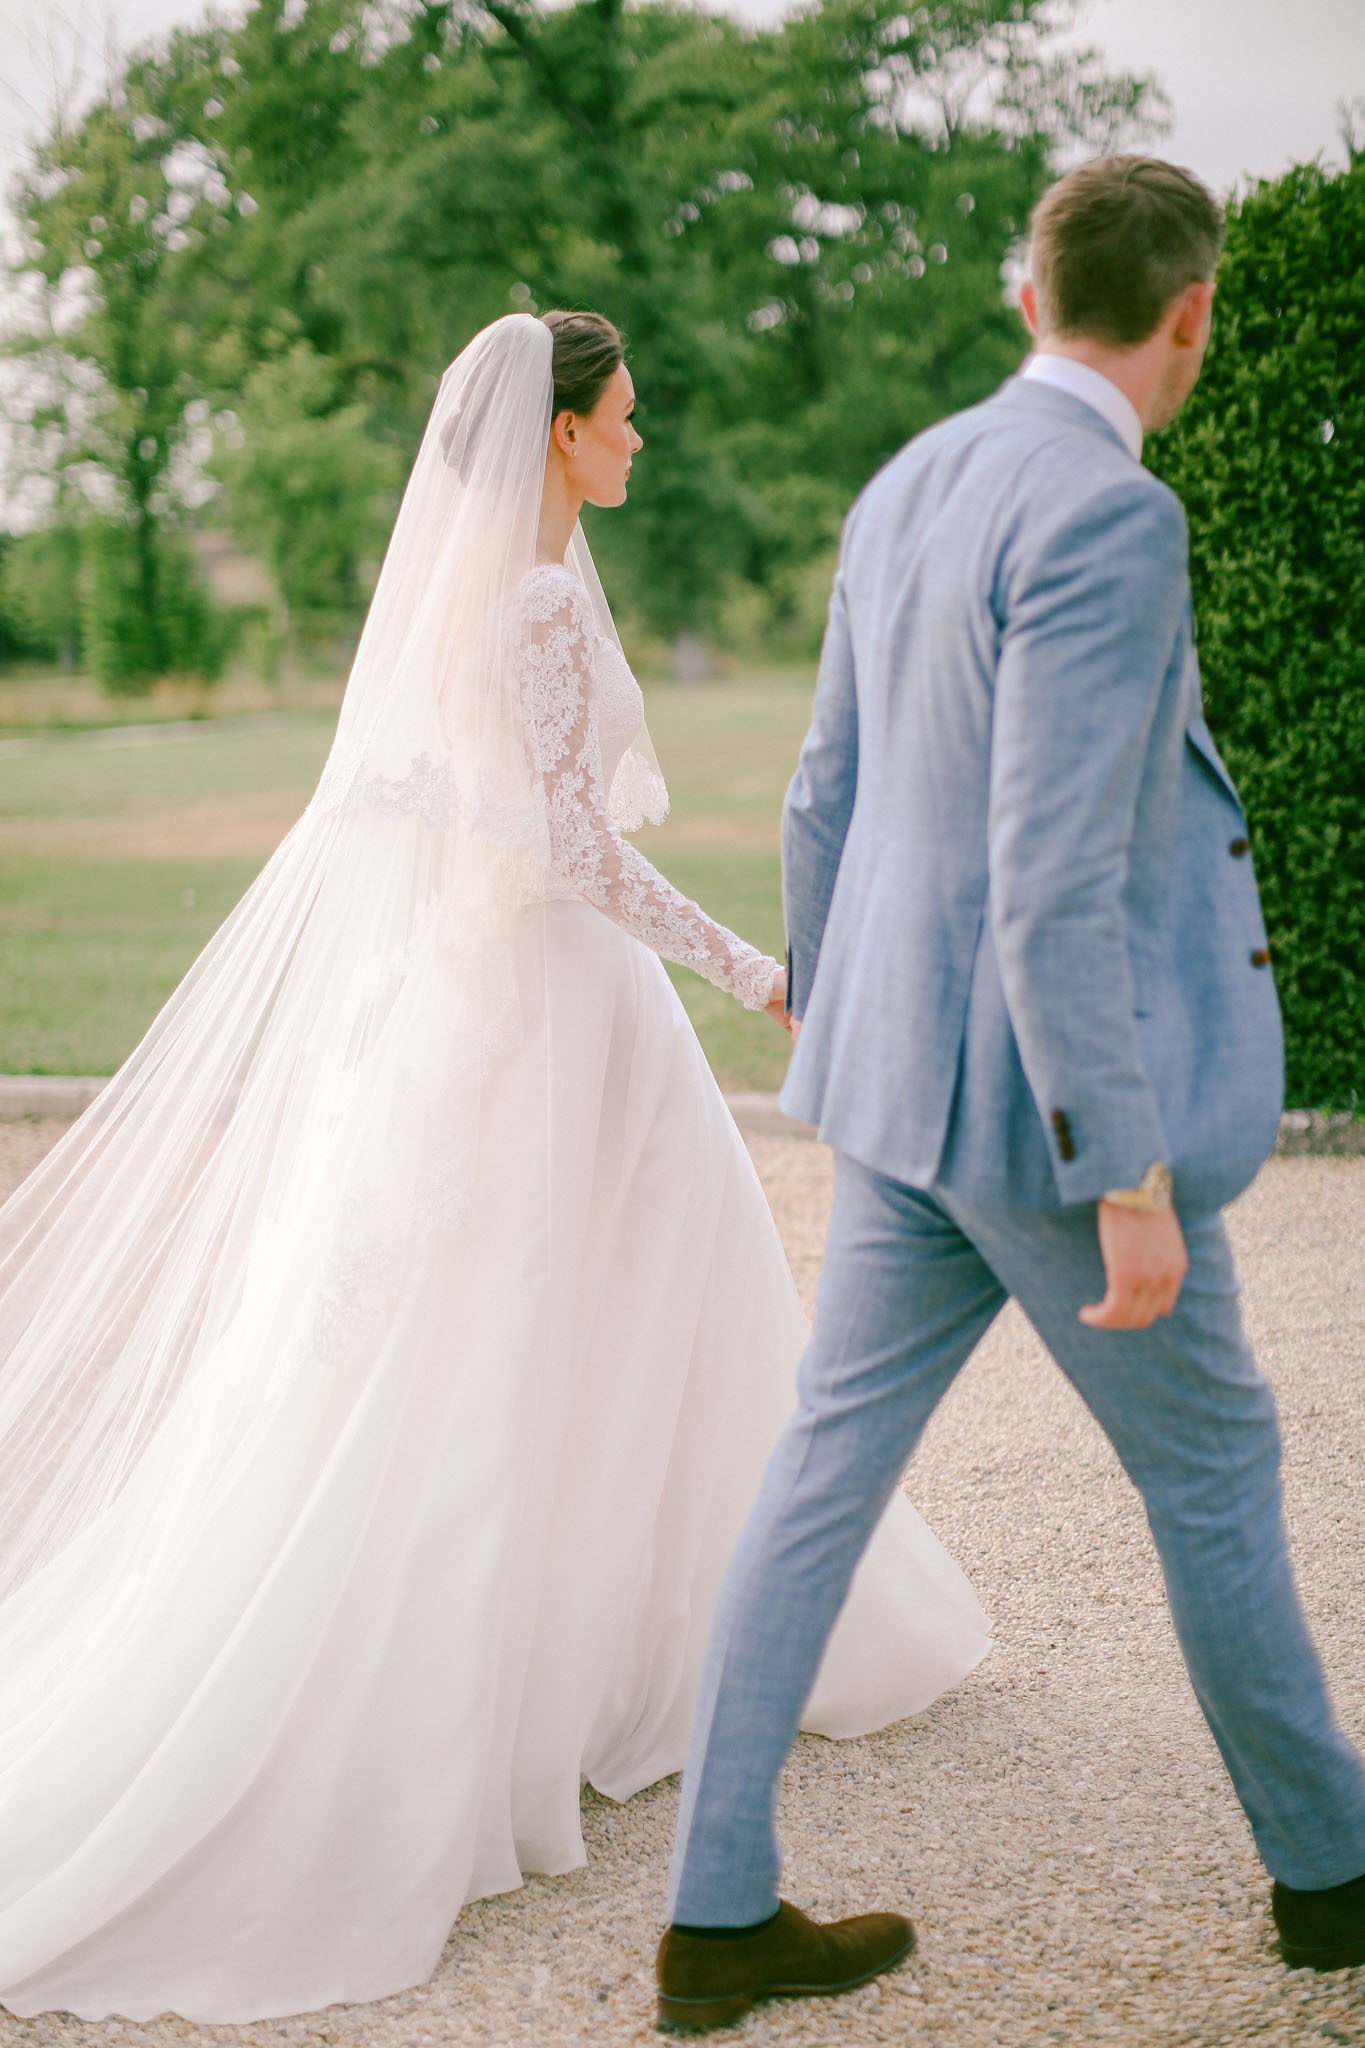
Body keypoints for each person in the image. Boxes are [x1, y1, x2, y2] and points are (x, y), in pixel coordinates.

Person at [0, 309, 989, 2023]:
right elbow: (567, 847)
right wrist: (756, 969)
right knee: (552, 1331)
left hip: (491, 1006)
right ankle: (530, 1688)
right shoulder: (531, 598)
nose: (636, 441)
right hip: (547, 1014)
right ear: (556, 435)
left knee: (605, 1315)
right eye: (621, 418)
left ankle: (625, 1646)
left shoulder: (485, 595)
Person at [656, 155, 1365, 2035]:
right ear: (1189, 313)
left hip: (898, 1089)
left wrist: (837, 1035)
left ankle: (715, 1916)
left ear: (1022, 297)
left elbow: (822, 792)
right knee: (1213, 1475)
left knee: (819, 1474)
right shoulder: (1107, 517)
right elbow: (1051, 877)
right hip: (1047, 1116)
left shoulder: (907, 479)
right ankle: (1334, 1882)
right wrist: (1120, 1165)